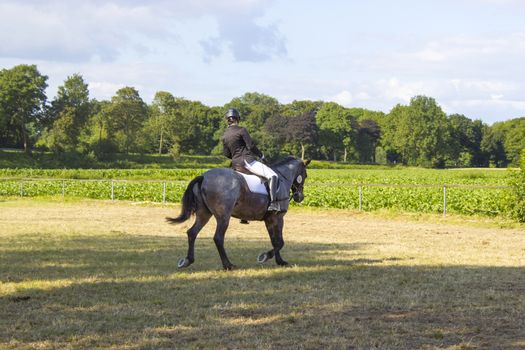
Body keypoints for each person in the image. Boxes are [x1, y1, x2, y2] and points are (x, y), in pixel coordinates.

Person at [221, 108, 282, 212]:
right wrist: (261, 155)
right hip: (247, 162)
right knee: (273, 176)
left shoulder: (224, 135)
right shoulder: (241, 130)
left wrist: (236, 157)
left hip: (235, 165)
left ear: (227, 120)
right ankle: (274, 204)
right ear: (238, 119)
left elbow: (226, 154)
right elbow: (251, 146)